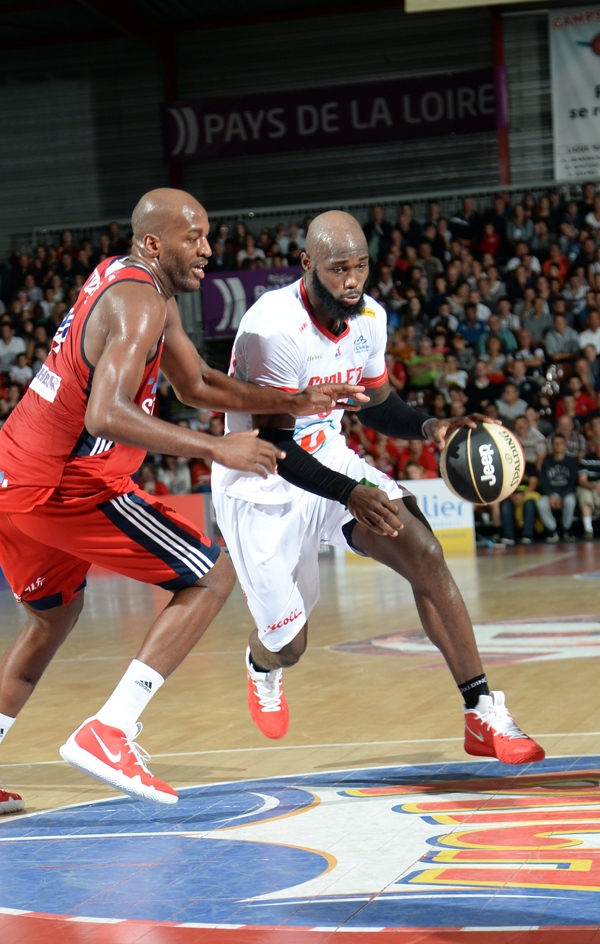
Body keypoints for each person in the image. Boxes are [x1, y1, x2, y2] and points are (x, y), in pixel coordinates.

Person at [0, 189, 361, 822]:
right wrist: (220, 448)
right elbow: (106, 413)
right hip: (63, 482)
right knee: (214, 571)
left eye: (208, 236)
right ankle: (111, 729)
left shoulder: (135, 285)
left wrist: (294, 401)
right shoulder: (138, 302)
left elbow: (197, 385)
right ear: (154, 243)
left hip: (7, 479)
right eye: (194, 238)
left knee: (51, 620)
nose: (208, 250)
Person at [211, 210, 544, 769]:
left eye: (360, 266)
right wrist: (348, 493)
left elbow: (377, 402)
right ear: (307, 265)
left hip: (329, 461)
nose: (352, 280)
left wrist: (429, 427)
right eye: (339, 268)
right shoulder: (274, 329)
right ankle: (261, 663)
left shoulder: (368, 318)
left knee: (423, 550)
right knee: (290, 644)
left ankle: (481, 710)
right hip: (262, 481)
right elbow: (276, 446)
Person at [537, 434, 578, 543]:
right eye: (555, 444)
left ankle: (566, 530)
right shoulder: (546, 462)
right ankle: (552, 530)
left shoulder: (571, 462)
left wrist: (561, 497)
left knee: (570, 501)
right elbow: (544, 482)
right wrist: (550, 495)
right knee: (541, 503)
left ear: (565, 445)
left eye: (560, 444)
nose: (558, 446)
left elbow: (573, 483)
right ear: (552, 446)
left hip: (566, 493)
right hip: (551, 493)